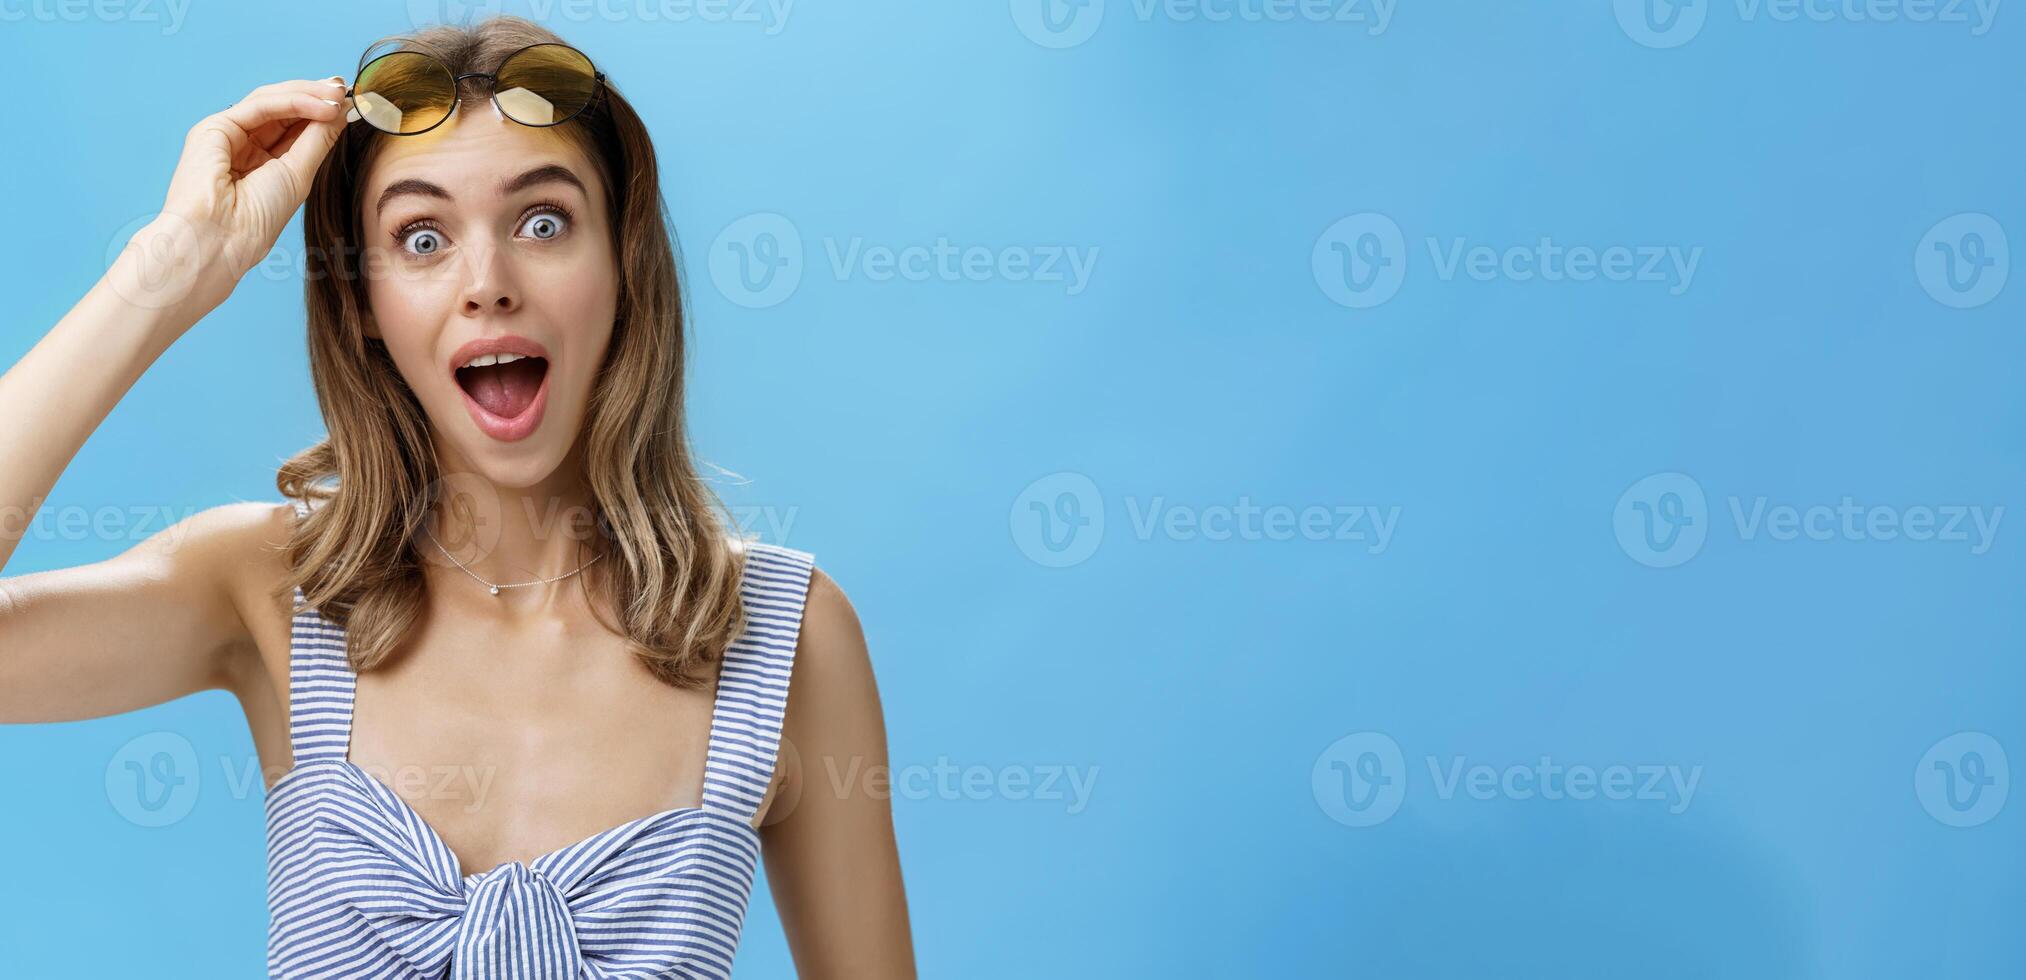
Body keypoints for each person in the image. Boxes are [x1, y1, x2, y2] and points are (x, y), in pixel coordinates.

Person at [0, 15, 914, 979]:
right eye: (422, 236)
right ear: (362, 304)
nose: (488, 283)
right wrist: (167, 272)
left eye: (544, 221)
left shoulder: (786, 637)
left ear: (624, 266)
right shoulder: (269, 590)